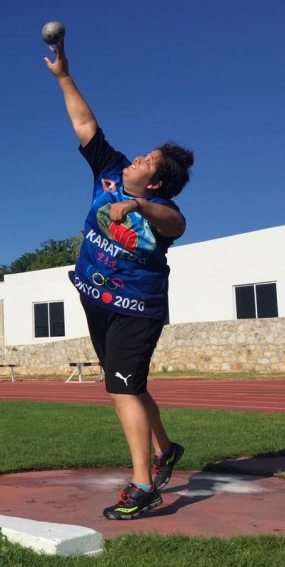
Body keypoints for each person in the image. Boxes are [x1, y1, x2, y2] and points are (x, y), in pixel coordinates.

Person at [45, 39, 194, 520]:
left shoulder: (162, 210)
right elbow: (85, 125)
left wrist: (141, 208)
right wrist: (64, 76)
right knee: (128, 383)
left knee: (121, 391)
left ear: (155, 182)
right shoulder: (108, 170)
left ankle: (144, 485)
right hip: (96, 299)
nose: (137, 160)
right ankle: (166, 449)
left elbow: (177, 226)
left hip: (138, 307)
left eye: (147, 162)